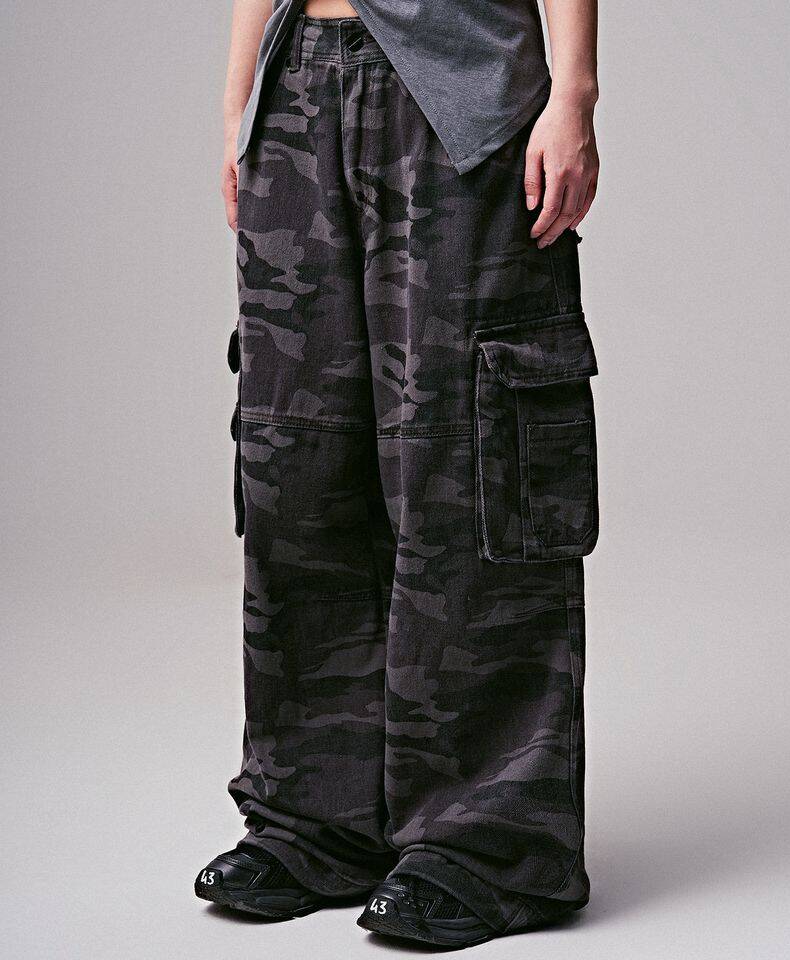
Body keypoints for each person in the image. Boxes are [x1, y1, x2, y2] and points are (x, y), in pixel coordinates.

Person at [196, 0, 601, 948]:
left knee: (464, 457)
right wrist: (240, 109)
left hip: (462, 100)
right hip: (297, 81)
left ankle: (489, 844)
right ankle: (317, 821)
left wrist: (574, 93)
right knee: (299, 456)